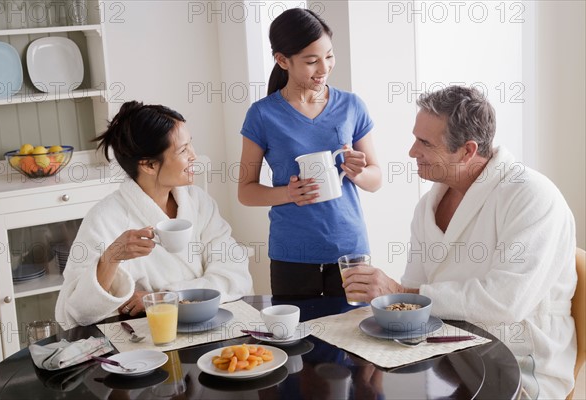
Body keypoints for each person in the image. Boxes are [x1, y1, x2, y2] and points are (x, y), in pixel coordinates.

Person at [341, 86, 577, 399]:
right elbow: (412, 293)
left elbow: (505, 301)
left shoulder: (530, 196)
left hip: (519, 365)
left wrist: (397, 292)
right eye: (415, 138)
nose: (412, 152)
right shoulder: (429, 204)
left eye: (425, 143)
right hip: (449, 358)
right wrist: (381, 312)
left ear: (467, 150)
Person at [55, 101, 252, 329]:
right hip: (145, 339)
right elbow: (76, 312)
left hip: (209, 325)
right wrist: (111, 257)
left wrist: (165, 297)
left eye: (191, 145)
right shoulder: (104, 218)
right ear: (148, 165)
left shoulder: (199, 202)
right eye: (183, 150)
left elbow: (235, 274)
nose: (194, 156)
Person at [238, 8, 382, 297]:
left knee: (352, 338)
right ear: (282, 60)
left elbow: (375, 179)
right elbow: (246, 191)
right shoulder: (262, 115)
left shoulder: (352, 106)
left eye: (328, 56)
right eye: (312, 61)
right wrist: (288, 194)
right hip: (291, 255)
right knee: (297, 340)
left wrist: (359, 171)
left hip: (349, 250)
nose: (324, 68)